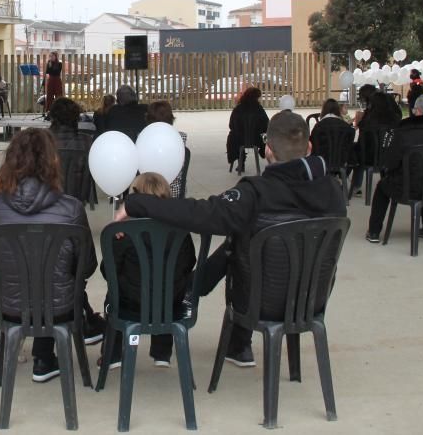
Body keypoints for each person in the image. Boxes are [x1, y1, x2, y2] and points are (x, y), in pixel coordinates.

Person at [116, 111, 346, 367]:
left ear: (268, 150)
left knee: (237, 244)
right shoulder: (333, 191)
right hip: (311, 300)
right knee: (248, 238)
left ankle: (235, 338)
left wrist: (139, 203)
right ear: (309, 147)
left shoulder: (254, 194)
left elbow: (201, 213)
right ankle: (226, 331)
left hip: (257, 303)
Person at [0, 128, 103, 383]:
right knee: (56, 280)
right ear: (53, 161)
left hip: (9, 307)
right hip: (60, 308)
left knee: (34, 275)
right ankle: (46, 356)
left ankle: (43, 357)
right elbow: (87, 266)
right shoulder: (71, 208)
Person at [100, 172, 196, 370]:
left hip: (130, 305)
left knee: (113, 295)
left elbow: (107, 270)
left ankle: (114, 354)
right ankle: (162, 353)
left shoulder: (122, 233)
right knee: (165, 287)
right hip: (170, 305)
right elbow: (189, 263)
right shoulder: (180, 232)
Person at [365, 94, 423, 244]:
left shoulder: (404, 131)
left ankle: (374, 231)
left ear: (418, 111)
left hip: (408, 188)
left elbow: (390, 161)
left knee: (383, 187)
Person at [147, 100, 188, 197]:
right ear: (171, 118)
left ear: (148, 119)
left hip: (149, 194)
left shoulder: (143, 138)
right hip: (175, 194)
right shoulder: (181, 137)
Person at [225, 87, 269, 173]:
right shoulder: (259, 109)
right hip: (257, 140)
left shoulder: (238, 109)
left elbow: (231, 125)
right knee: (266, 136)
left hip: (239, 139)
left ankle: (240, 161)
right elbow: (266, 124)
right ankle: (264, 151)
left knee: (232, 136)